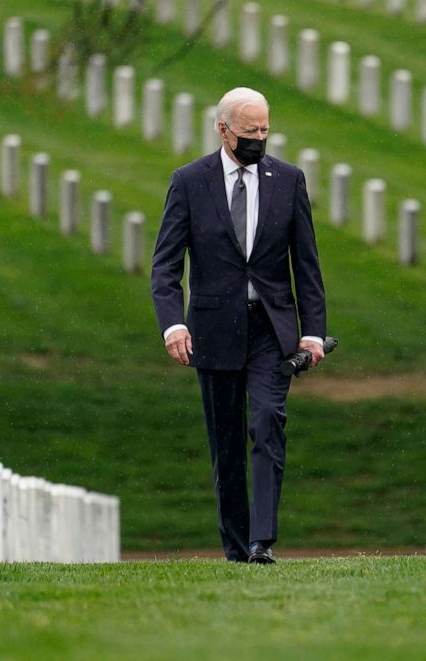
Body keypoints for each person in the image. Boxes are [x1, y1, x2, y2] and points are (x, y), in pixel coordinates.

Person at [151, 87, 326, 564]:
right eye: (250, 132)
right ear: (222, 129)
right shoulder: (190, 181)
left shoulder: (288, 180)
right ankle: (236, 546)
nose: (259, 139)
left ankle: (261, 540)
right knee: (225, 442)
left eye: (265, 130)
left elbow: (306, 264)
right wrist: (173, 326)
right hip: (213, 327)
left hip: (271, 328)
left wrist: (312, 332)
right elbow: (166, 265)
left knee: (268, 421)